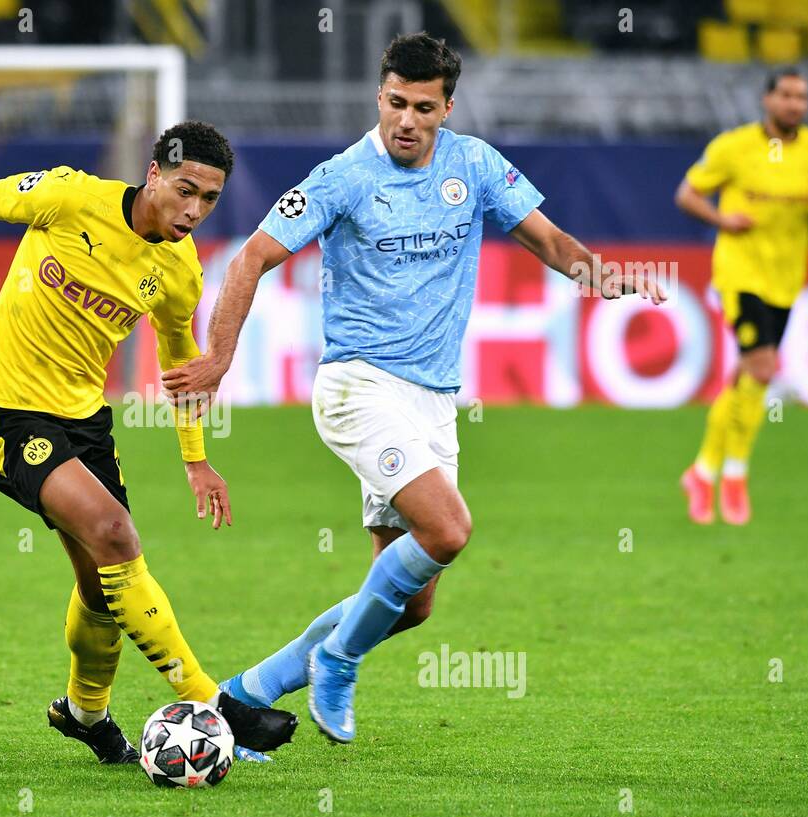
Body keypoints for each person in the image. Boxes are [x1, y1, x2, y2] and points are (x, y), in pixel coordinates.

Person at [162, 33, 665, 744]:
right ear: (380, 97)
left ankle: (245, 696)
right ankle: (338, 660)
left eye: (422, 107)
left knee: (408, 604)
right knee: (448, 528)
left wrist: (604, 276)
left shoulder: (476, 164)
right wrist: (218, 358)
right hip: (357, 385)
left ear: (446, 108)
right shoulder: (341, 177)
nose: (406, 119)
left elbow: (552, 243)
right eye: (395, 102)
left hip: (432, 400)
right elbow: (249, 260)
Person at [0, 121, 298, 763]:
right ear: (154, 174)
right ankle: (214, 705)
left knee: (101, 588)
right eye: (185, 189)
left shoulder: (178, 269)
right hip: (5, 417)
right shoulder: (69, 196)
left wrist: (196, 458)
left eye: (210, 199)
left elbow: (180, 358)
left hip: (85, 424)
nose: (194, 210)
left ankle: (85, 714)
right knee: (116, 534)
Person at [676, 68, 808, 525]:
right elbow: (687, 194)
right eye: (786, 95)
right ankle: (735, 474)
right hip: (741, 275)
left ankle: (703, 472)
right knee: (762, 369)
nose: (794, 104)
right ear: (767, 99)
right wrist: (723, 221)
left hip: (786, 278)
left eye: (801, 97)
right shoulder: (734, 147)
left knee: (747, 375)